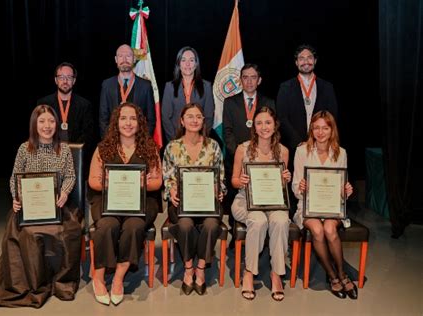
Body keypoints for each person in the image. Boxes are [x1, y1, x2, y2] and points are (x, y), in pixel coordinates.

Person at [0, 105, 82, 308]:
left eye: (51, 121)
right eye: (42, 121)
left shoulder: (63, 150)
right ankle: (32, 283)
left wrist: (64, 192)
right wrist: (15, 197)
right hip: (29, 208)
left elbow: (71, 176)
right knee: (26, 233)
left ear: (57, 124)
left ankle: (59, 282)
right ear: (34, 125)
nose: (47, 126)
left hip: (56, 206)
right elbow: (14, 178)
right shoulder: (24, 148)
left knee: (66, 232)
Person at [88, 102, 162, 306]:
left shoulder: (149, 147)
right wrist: (111, 182)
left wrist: (141, 183)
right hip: (108, 200)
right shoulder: (103, 147)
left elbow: (157, 181)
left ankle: (119, 277)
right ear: (116, 122)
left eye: (133, 118)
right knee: (106, 225)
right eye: (123, 118)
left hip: (142, 201)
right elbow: (93, 180)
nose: (128, 123)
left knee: (134, 226)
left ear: (139, 123)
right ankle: (99, 277)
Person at [292, 110, 357, 299]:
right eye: (316, 128)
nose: (320, 132)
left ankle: (342, 274)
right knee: (318, 230)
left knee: (329, 228)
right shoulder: (302, 151)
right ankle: (333, 276)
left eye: (325, 128)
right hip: (307, 206)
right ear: (311, 129)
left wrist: (346, 191)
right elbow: (295, 187)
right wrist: (301, 187)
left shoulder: (341, 153)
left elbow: (341, 186)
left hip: (330, 207)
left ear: (332, 130)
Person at [163, 103, 226, 296]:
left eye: (198, 116)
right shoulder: (172, 147)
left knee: (210, 225)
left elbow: (220, 177)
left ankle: (200, 269)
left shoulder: (213, 146)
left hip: (208, 204)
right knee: (184, 225)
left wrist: (219, 190)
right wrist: (171, 191)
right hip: (181, 203)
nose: (194, 120)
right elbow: (167, 178)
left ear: (203, 121)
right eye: (189, 116)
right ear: (182, 121)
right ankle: (188, 267)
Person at [231, 107, 291, 301]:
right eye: (259, 123)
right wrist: (241, 181)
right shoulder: (243, 148)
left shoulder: (283, 151)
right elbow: (233, 180)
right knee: (258, 221)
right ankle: (249, 272)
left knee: (281, 221)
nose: (263, 127)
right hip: (245, 200)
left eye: (268, 123)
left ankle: (276, 274)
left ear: (275, 126)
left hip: (273, 202)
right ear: (254, 127)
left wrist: (285, 179)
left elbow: (279, 185)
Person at [223, 63, 275, 247]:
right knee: (234, 197)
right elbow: (227, 132)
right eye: (245, 77)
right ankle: (235, 235)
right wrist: (241, 154)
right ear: (240, 80)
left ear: (259, 80)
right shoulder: (230, 102)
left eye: (253, 77)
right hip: (237, 159)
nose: (249, 81)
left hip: (262, 162)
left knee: (261, 199)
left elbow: (272, 130)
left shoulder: (269, 102)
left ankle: (264, 238)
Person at [276, 44, 338, 157]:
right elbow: (281, 117)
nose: (306, 61)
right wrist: (298, 142)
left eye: (309, 57)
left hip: (321, 145)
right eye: (301, 58)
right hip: (294, 147)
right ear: (296, 62)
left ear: (315, 61)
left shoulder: (327, 87)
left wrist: (319, 140)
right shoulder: (285, 87)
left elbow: (332, 116)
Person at [37, 62, 96, 178]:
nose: (65, 81)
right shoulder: (44, 103)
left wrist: (70, 152)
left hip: (76, 158)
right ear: (56, 80)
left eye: (69, 77)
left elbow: (88, 134)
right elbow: (39, 131)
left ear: (74, 81)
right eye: (61, 77)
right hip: (50, 156)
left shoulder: (84, 105)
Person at [99, 44, 156, 138]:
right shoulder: (107, 85)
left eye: (128, 56)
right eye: (121, 56)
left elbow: (151, 120)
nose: (124, 60)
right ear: (116, 60)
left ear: (134, 59)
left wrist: (142, 142)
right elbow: (103, 119)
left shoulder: (146, 86)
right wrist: (110, 142)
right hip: (113, 142)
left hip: (138, 143)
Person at [161, 46, 215, 144]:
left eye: (191, 60)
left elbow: (209, 116)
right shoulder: (169, 87)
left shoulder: (206, 86)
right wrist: (175, 141)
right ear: (179, 64)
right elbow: (165, 117)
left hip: (199, 140)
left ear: (196, 64)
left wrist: (201, 139)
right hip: (176, 140)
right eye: (183, 60)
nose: (187, 64)